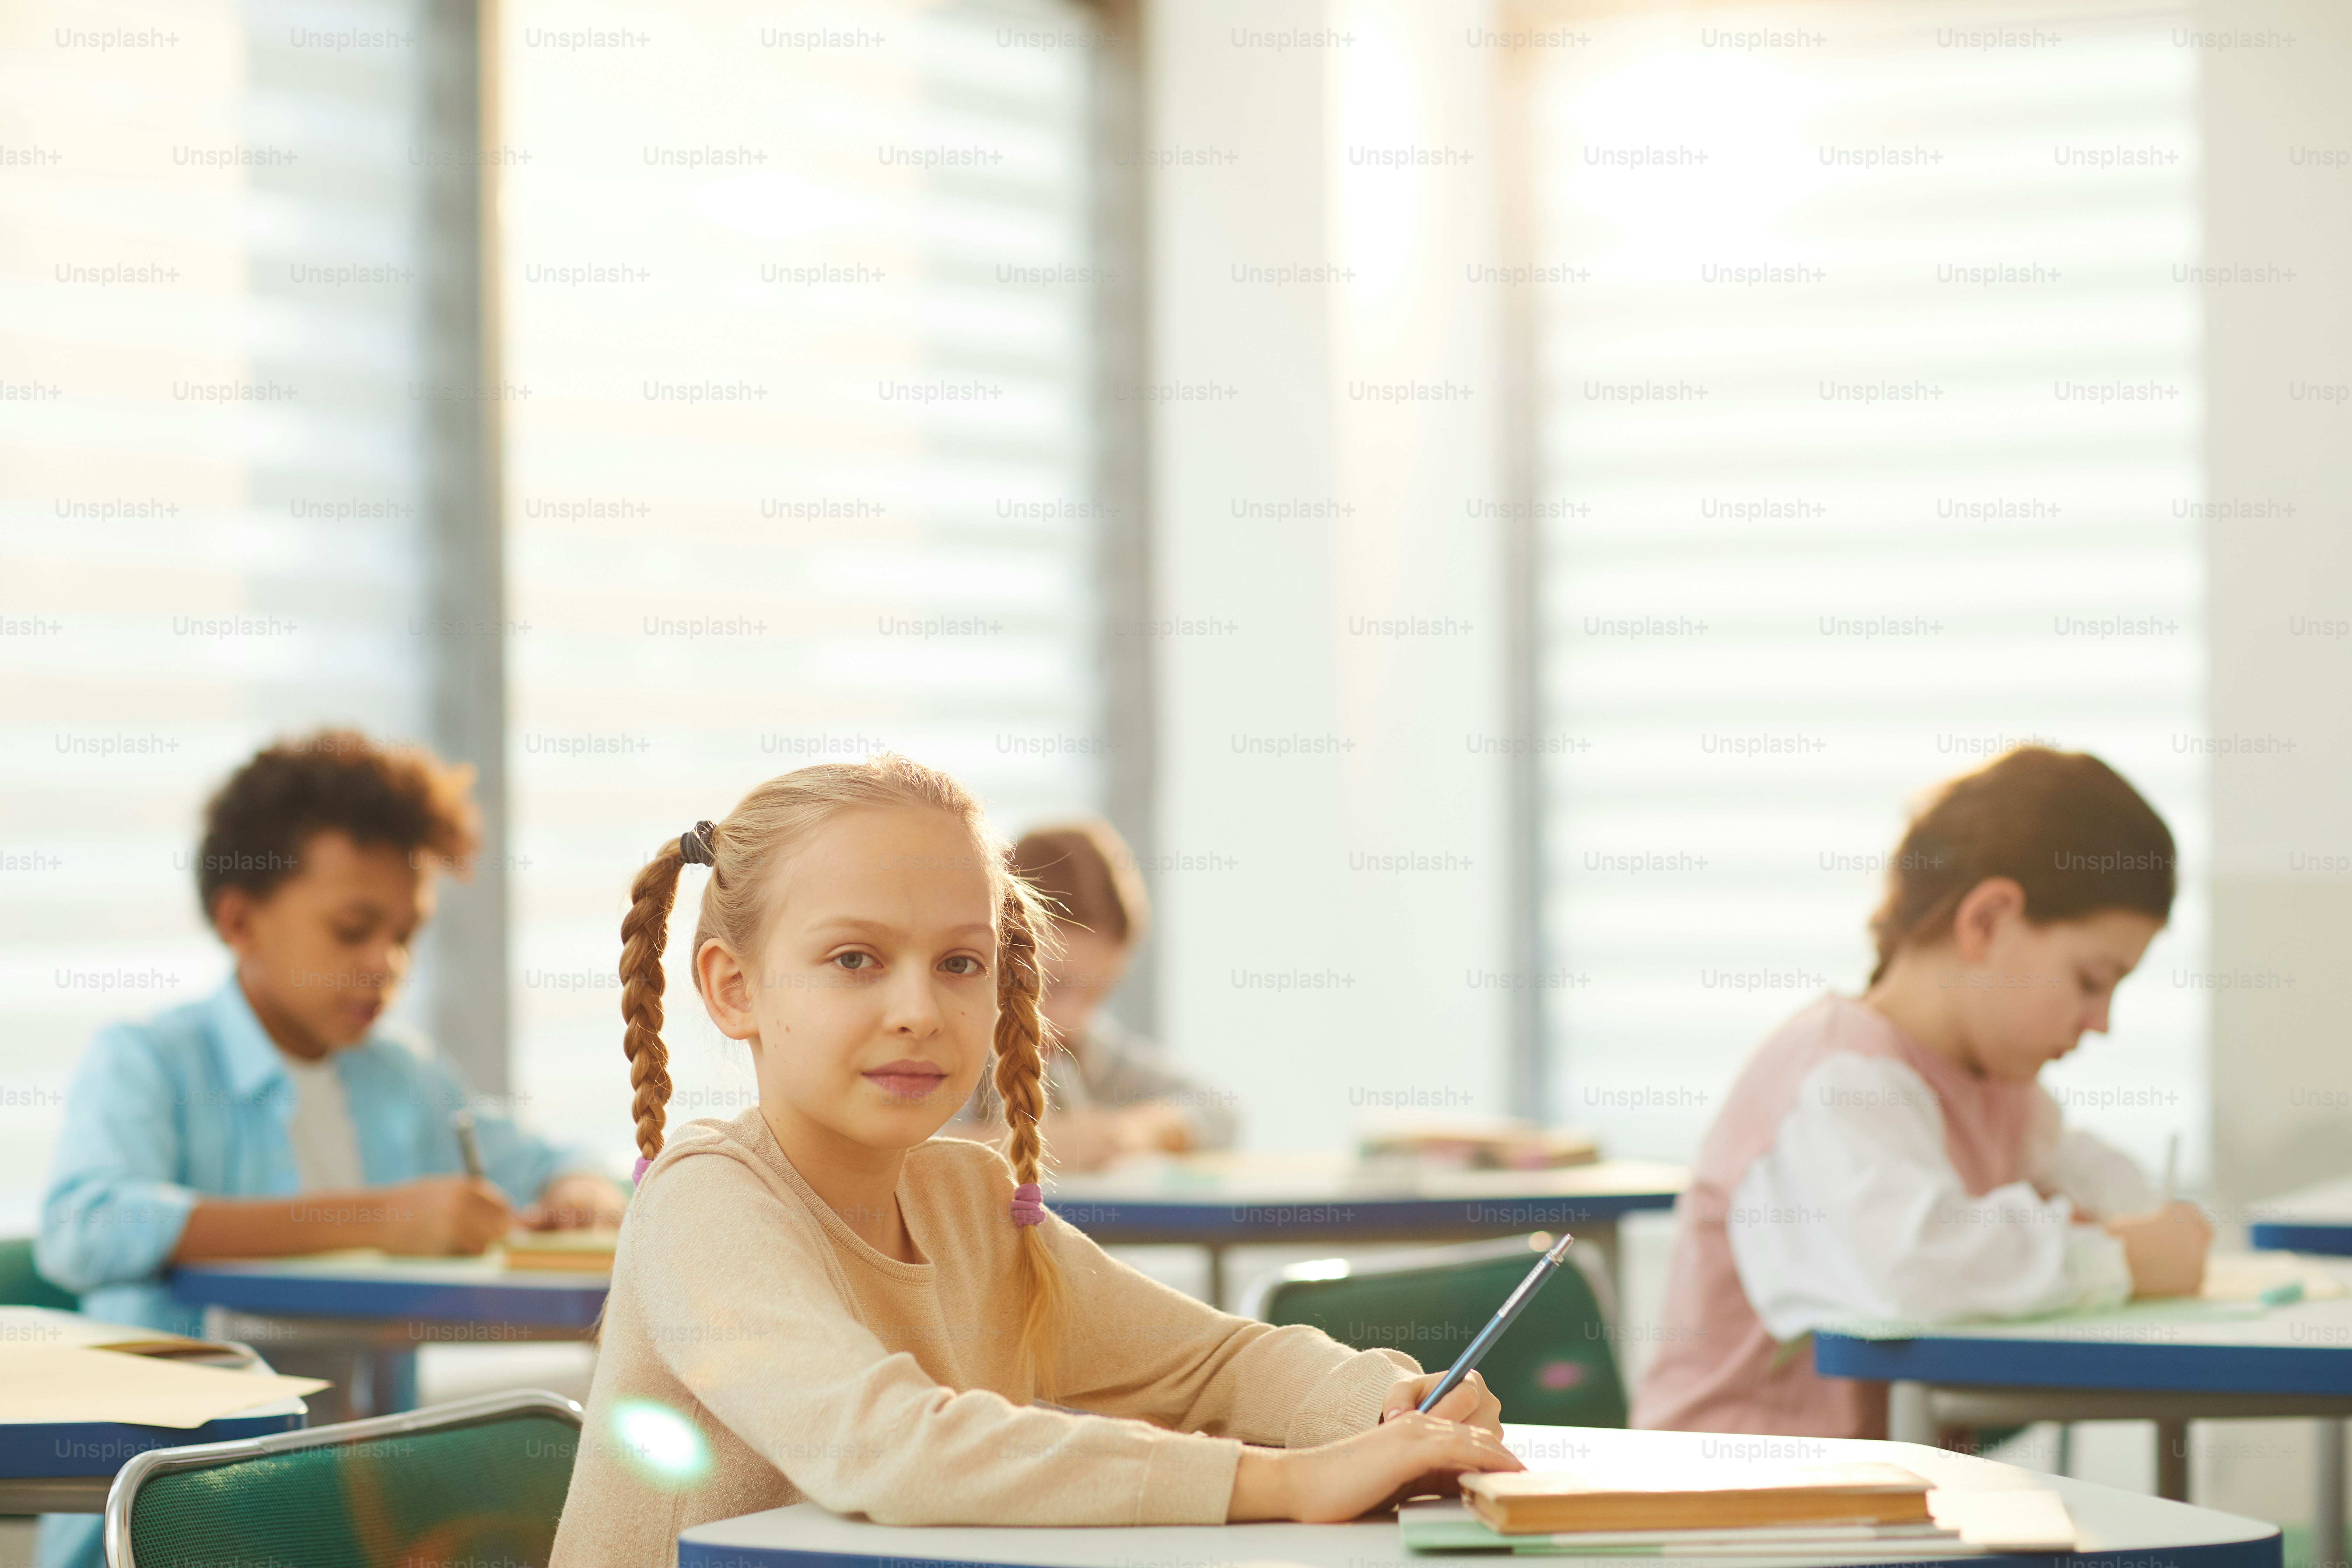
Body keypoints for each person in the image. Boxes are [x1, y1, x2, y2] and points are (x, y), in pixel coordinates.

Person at [549, 756, 1517, 1564]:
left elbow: (1211, 1363)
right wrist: (1287, 1482)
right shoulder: (702, 1202)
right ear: (732, 988)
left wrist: (1386, 1404)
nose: (920, 1010)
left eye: (961, 963)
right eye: (856, 959)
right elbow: (886, 1448)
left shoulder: (973, 1201)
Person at [1633, 746, 2211, 1439]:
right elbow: (1911, 1273)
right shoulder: (1836, 1077)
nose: (2103, 1023)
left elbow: (2106, 1187)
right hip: (1727, 1511)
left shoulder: (2002, 1089)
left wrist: (2143, 1233)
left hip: (1881, 1500)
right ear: (1988, 920)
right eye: (2091, 980)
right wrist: (2116, 1257)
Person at [953, 820, 1236, 1169]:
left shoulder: (1084, 1054)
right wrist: (1029, 1145)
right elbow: (894, 1157)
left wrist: (1125, 1132)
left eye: (1096, 994)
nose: (1072, 1020)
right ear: (991, 950)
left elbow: (1217, 1108)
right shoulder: (942, 1046)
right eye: (1053, 985)